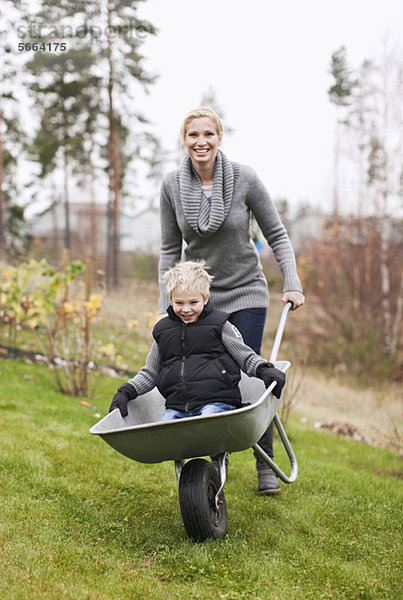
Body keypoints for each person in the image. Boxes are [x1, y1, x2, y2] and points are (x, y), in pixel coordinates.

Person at [157, 107, 305, 494]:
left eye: (208, 134)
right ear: (184, 140)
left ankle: (264, 463)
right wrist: (165, 305)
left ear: (220, 137)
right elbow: (170, 250)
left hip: (247, 290)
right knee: (206, 376)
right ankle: (209, 460)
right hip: (200, 297)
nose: (201, 141)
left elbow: (277, 234)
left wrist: (292, 281)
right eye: (193, 135)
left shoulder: (244, 178)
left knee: (247, 373)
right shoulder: (172, 185)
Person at [109, 261, 285, 428]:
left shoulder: (219, 324)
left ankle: (216, 457)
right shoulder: (163, 331)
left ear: (205, 298)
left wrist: (264, 369)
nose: (186, 309)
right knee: (165, 426)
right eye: (179, 303)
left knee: (207, 422)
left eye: (193, 302)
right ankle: (191, 460)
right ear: (170, 299)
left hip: (218, 402)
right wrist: (126, 391)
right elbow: (150, 372)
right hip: (177, 407)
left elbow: (245, 357)